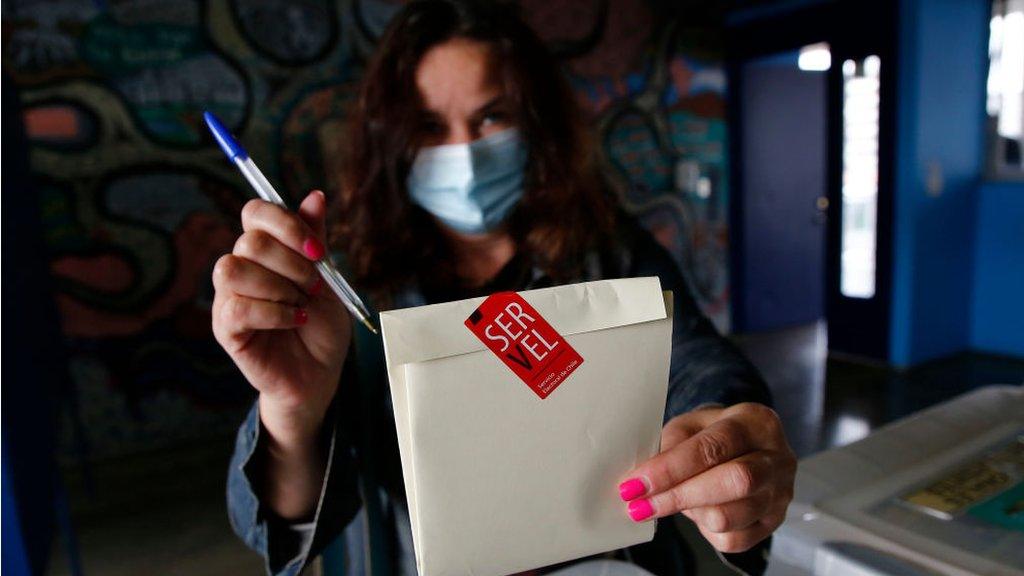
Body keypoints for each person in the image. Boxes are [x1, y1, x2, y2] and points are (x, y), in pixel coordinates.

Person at [214, 1, 796, 575]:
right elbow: (284, 522)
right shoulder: (342, 294)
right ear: (391, 142)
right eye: (429, 126)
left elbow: (692, 359)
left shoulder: (607, 250)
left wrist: (725, 429)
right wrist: (292, 411)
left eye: (492, 117)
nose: (464, 152)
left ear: (536, 122)